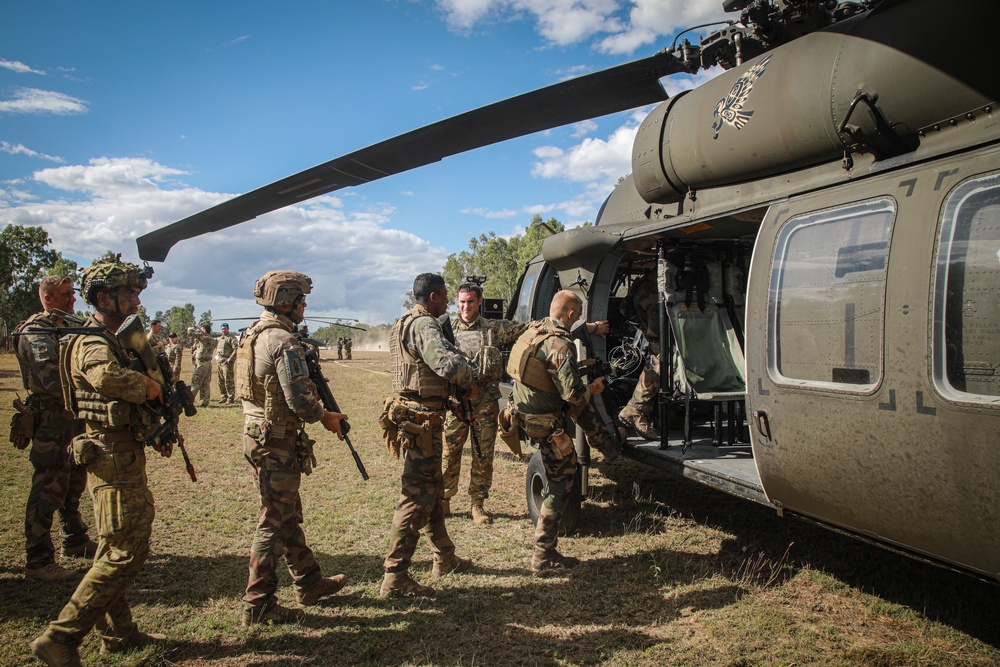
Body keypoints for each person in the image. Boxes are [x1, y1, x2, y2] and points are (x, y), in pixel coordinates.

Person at [30, 258, 170, 666]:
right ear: (104, 298)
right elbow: (106, 379)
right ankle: (60, 636)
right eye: (129, 294)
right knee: (128, 548)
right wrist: (149, 386)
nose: (136, 302)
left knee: (114, 544)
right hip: (111, 455)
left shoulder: (116, 338)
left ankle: (118, 632)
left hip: (120, 449)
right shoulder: (92, 342)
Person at [236, 270, 350, 625]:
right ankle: (259, 604)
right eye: (301, 299)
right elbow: (299, 402)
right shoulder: (282, 341)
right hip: (276, 440)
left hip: (260, 434)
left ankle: (309, 581)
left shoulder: (255, 333)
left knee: (285, 514)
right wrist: (326, 416)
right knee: (273, 520)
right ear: (287, 301)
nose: (304, 306)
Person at [378, 273, 478, 598]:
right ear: (433, 297)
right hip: (423, 422)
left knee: (432, 490)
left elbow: (417, 376)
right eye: (446, 296)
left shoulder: (402, 322)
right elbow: (445, 365)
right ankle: (395, 578)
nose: (449, 302)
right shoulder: (424, 325)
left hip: (419, 415)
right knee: (416, 498)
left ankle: (444, 557)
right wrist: (470, 374)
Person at [507, 290, 619, 572]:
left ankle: (546, 553)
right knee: (558, 486)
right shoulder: (559, 345)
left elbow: (546, 374)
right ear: (569, 314)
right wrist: (592, 389)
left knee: (559, 480)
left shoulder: (535, 331)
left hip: (526, 415)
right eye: (578, 315)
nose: (579, 319)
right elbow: (574, 398)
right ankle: (542, 556)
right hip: (548, 425)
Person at [13, 275, 97, 583]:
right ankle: (38, 559)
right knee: (48, 487)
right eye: (64, 295)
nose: (72, 299)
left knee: (74, 480)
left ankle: (74, 539)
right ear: (48, 299)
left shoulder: (68, 326)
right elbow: (50, 379)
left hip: (71, 417)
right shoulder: (37, 331)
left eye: (72, 294)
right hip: (51, 420)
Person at [441, 283, 528, 524]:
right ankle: (444, 500)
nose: (465, 306)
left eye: (470, 301)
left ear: (480, 302)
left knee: (483, 456)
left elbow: (529, 329)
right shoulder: (445, 330)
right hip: (456, 404)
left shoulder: (494, 329)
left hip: (485, 404)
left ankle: (477, 505)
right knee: (449, 453)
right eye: (461, 302)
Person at [617, 272, 660, 440]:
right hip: (659, 339)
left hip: (653, 336)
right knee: (658, 363)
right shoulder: (649, 290)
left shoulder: (642, 286)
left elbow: (624, 310)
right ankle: (635, 409)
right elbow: (656, 326)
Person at [189, 324, 215, 407]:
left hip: (202, 364)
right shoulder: (212, 339)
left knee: (195, 383)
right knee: (205, 384)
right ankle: (205, 402)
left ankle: (189, 401)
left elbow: (190, 331)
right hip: (208, 363)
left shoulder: (204, 338)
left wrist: (196, 328)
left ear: (204, 331)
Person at [215, 322, 238, 404]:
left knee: (228, 381)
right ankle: (223, 396)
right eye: (222, 329)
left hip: (227, 363)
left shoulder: (231, 337)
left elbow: (236, 349)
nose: (223, 330)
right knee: (220, 381)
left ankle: (230, 398)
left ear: (228, 329)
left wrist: (230, 359)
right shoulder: (221, 338)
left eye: (225, 329)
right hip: (219, 362)